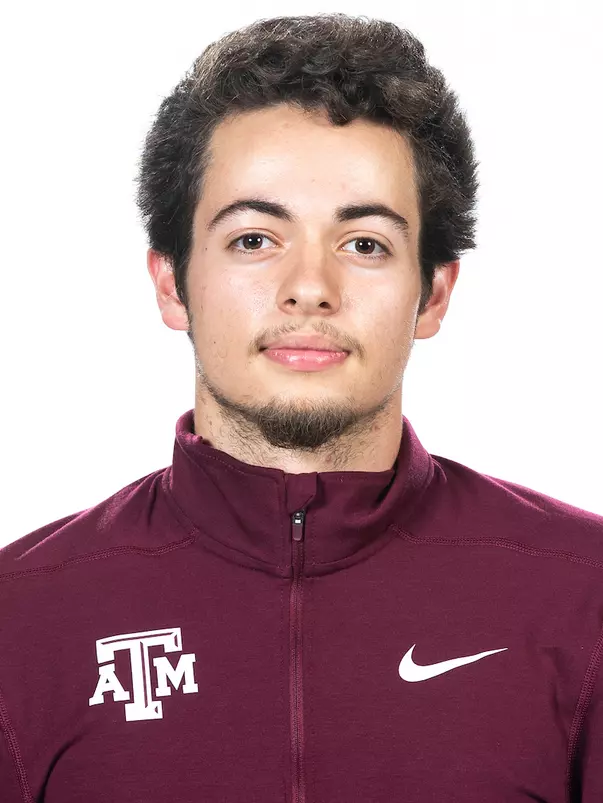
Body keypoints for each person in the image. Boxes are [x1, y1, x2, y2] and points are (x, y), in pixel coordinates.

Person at [1, 12, 602, 803]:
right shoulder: (23, 617)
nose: (309, 285)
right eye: (254, 239)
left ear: (433, 292)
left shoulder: (581, 596)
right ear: (171, 282)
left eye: (365, 244)